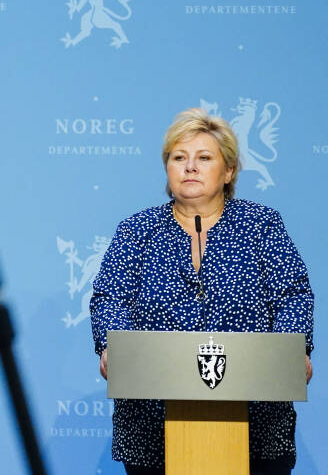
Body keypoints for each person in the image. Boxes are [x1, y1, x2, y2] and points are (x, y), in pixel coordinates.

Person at [90, 107, 313, 474]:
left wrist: (291, 351)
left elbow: (292, 294)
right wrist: (111, 347)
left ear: (228, 171)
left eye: (204, 158)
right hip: (152, 426)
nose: (190, 166)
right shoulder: (136, 230)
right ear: (168, 169)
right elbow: (111, 298)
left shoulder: (262, 225)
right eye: (179, 157)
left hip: (256, 421)